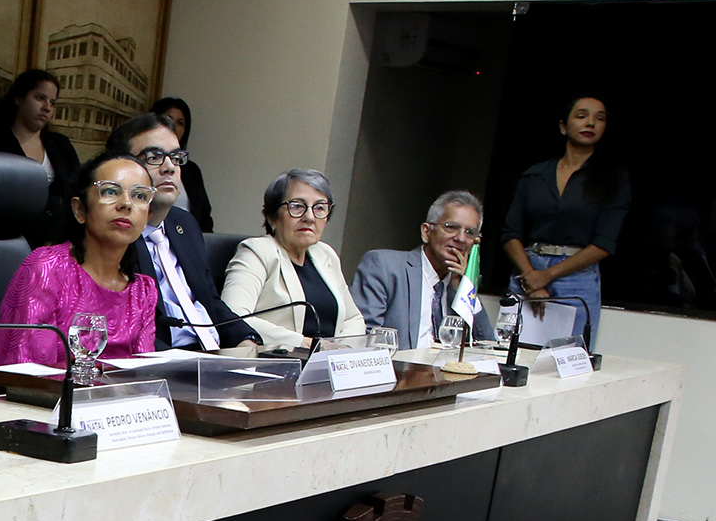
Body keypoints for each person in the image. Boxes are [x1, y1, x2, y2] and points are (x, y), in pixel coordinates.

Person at [0, 153, 159, 369]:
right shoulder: (48, 268)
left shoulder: (143, 292)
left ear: (147, 218)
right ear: (79, 209)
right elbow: (26, 373)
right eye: (110, 191)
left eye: (140, 196)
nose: (126, 204)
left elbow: (144, 375)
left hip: (120, 392)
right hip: (50, 391)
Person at [103, 113, 257, 353]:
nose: (169, 167)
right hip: (163, 360)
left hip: (213, 356)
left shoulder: (184, 224)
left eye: (175, 157)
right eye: (154, 157)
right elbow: (122, 327)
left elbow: (209, 301)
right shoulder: (113, 233)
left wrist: (245, 339)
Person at [500, 94, 630, 347]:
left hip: (577, 276)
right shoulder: (535, 175)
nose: (590, 123)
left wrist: (546, 276)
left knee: (569, 357)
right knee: (514, 351)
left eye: (599, 118)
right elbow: (510, 232)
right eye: (581, 116)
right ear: (563, 126)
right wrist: (532, 276)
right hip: (528, 269)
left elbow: (604, 243)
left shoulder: (613, 178)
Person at [222, 169, 366, 349]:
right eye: (297, 206)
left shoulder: (325, 254)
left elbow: (353, 319)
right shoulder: (258, 251)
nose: (310, 217)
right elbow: (233, 316)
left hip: (328, 362)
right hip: (278, 361)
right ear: (272, 217)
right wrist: (305, 344)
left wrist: (342, 350)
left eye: (319, 207)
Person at [351, 190, 495, 350]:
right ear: (426, 232)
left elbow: (487, 347)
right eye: (451, 227)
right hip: (397, 365)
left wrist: (466, 289)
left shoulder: (459, 286)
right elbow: (364, 338)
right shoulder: (384, 266)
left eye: (470, 232)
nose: (461, 238)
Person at [0, 69, 80, 242]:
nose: (47, 107)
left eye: (52, 102)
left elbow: (78, 189)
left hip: (57, 242)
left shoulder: (60, 145)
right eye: (39, 98)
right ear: (19, 98)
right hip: (12, 240)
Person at [151, 96, 214, 232]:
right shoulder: (139, 165)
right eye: (168, 119)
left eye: (180, 123)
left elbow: (205, 219)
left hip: (188, 238)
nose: (173, 126)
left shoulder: (191, 170)